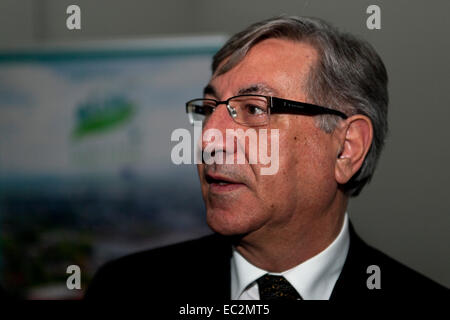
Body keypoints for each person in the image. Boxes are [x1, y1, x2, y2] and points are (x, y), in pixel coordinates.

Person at [85, 16, 447, 300]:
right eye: (210, 108)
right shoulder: (125, 289)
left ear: (346, 147)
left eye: (255, 109)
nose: (209, 136)